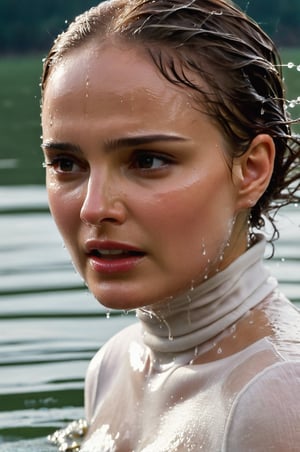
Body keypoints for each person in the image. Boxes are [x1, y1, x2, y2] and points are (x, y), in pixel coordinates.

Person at [41, 0, 300, 450]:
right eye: (67, 163)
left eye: (148, 160)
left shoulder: (277, 398)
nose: (93, 207)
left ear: (251, 170)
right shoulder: (111, 368)